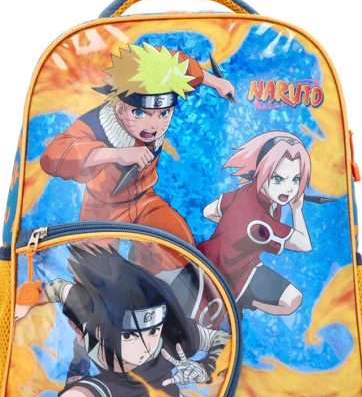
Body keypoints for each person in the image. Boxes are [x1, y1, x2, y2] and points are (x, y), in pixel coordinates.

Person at [40, 43, 234, 269]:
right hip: (102, 209)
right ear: (121, 109)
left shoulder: (164, 81)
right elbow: (52, 157)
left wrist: (217, 82)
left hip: (145, 201)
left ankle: (153, 280)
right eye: (140, 113)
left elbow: (181, 67)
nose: (154, 125)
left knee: (178, 243)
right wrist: (116, 154)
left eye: (164, 113)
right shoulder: (97, 124)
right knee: (93, 269)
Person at [15, 244, 230, 397]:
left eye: (153, 331)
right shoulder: (86, 308)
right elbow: (59, 289)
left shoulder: (175, 337)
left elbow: (222, 339)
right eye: (129, 335)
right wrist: (29, 301)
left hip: (163, 380)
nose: (146, 346)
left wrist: (206, 367)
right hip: (116, 382)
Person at [198, 131, 312, 316]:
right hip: (235, 274)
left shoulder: (247, 191)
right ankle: (244, 299)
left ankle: (241, 299)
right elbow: (304, 245)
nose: (289, 188)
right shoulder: (261, 221)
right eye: (278, 179)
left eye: (296, 179)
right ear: (262, 170)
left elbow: (209, 211)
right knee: (293, 300)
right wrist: (297, 209)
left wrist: (236, 228)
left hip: (205, 257)